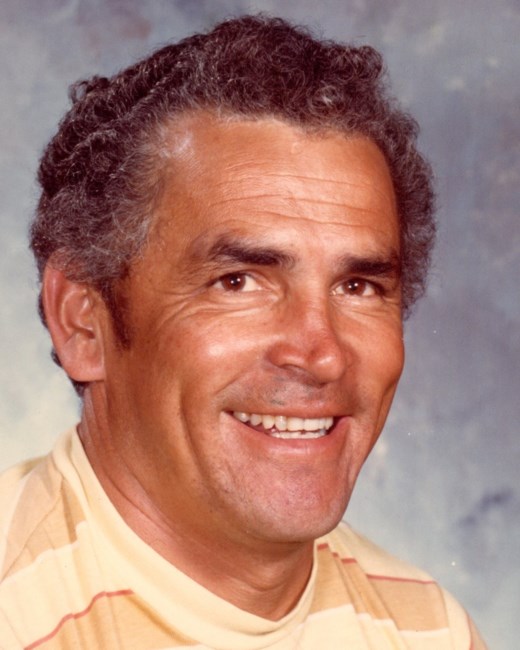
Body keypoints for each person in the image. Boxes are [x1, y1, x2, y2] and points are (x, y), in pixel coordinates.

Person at [0, 14, 486, 649]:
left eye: (358, 286)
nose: (321, 355)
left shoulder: (429, 631)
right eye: (237, 282)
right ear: (82, 323)